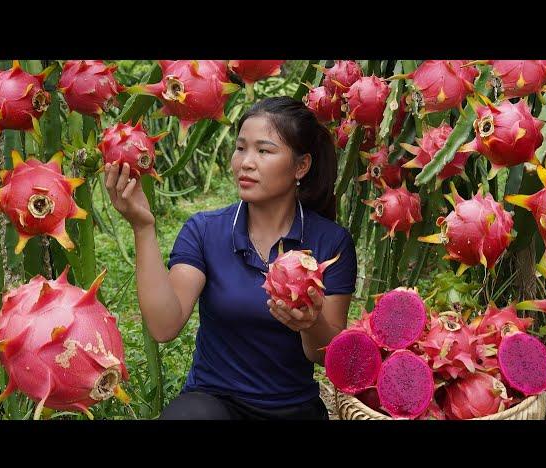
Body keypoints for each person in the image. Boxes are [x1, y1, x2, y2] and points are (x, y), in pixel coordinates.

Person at [104, 96, 357, 420]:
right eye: (241, 148)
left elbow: (325, 354)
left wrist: (311, 323)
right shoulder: (205, 231)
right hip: (213, 405)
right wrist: (143, 227)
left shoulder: (330, 242)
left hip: (293, 409)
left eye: (264, 151)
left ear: (301, 166)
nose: (246, 162)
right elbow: (164, 326)